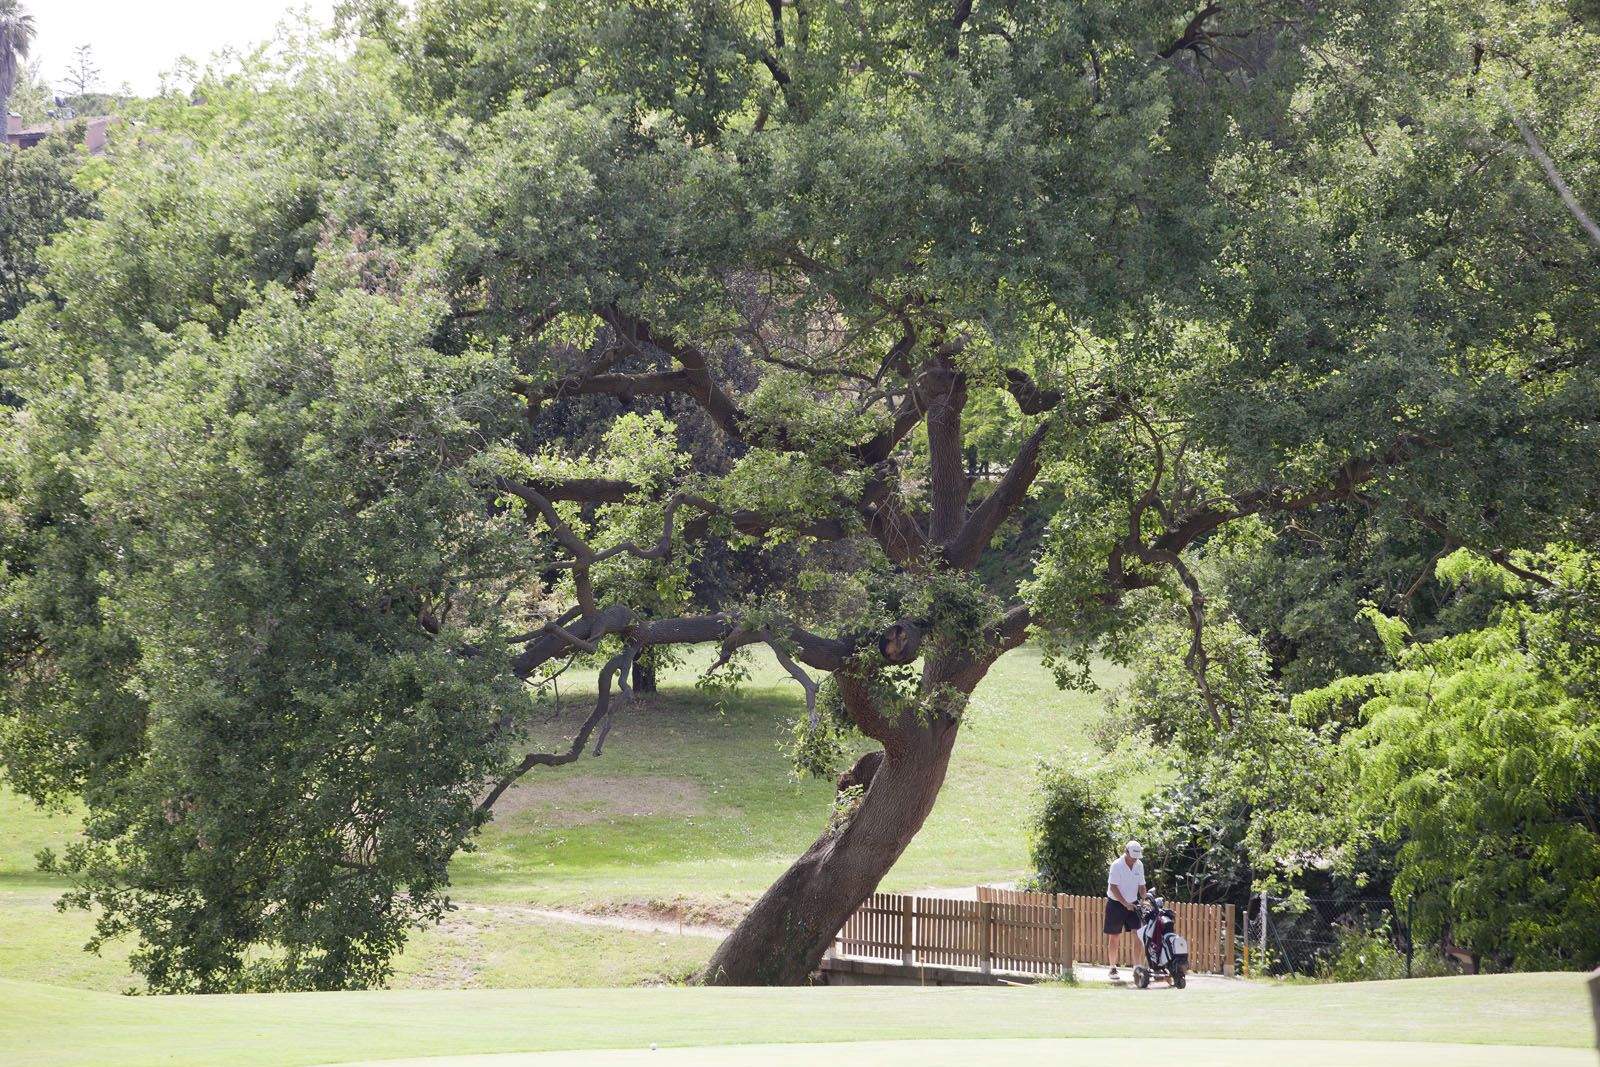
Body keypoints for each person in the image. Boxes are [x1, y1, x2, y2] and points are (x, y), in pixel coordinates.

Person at [1104, 840, 1146, 980]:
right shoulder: (1116, 865)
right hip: (1116, 904)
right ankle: (1112, 968)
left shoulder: (1139, 865)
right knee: (1114, 936)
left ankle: (1137, 968)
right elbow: (1113, 887)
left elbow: (1142, 886)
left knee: (1137, 934)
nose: (1134, 859)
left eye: (1136, 857)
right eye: (1133, 856)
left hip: (1133, 904)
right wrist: (1124, 903)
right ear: (1126, 852)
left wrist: (1144, 899)